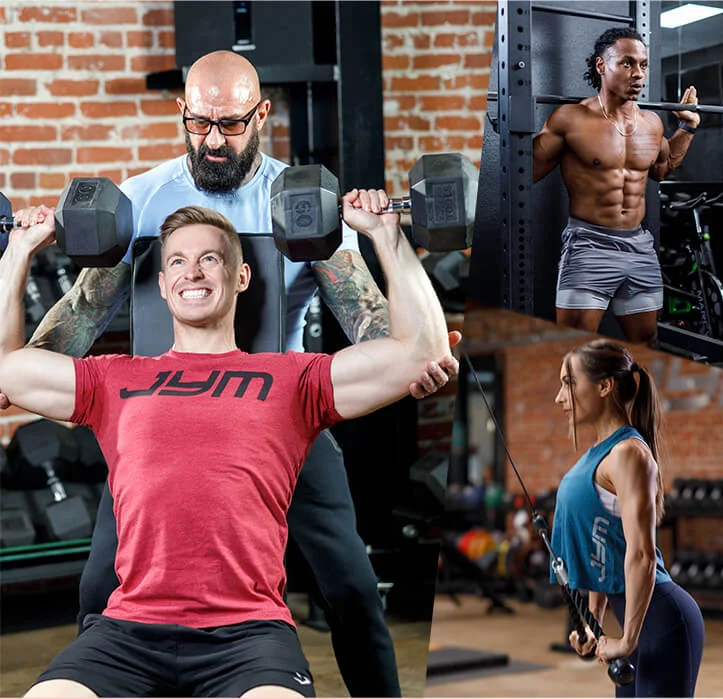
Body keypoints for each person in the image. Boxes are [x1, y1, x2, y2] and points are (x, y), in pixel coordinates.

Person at [0, 50, 459, 697]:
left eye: (231, 124)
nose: (213, 140)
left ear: (261, 115)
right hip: (159, 413)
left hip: (283, 414)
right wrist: (19, 361)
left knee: (352, 584)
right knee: (99, 585)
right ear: (182, 113)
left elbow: (372, 327)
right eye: (199, 123)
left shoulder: (303, 201)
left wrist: (416, 358)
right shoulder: (138, 201)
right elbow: (75, 322)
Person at [550, 339, 704, 697]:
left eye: (569, 383)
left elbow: (641, 553)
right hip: (637, 621)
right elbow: (603, 545)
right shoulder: (598, 454)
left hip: (662, 621)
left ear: (604, 386)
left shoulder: (628, 453)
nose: (560, 397)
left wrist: (628, 638)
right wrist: (593, 622)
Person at [533, 27, 702, 346]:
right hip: (589, 246)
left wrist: (687, 127)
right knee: (576, 348)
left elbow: (662, 170)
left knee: (646, 342)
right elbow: (521, 171)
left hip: (639, 247)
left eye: (643, 65)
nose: (638, 74)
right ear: (601, 66)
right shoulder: (571, 119)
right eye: (627, 63)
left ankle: (634, 397)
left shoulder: (652, 124)